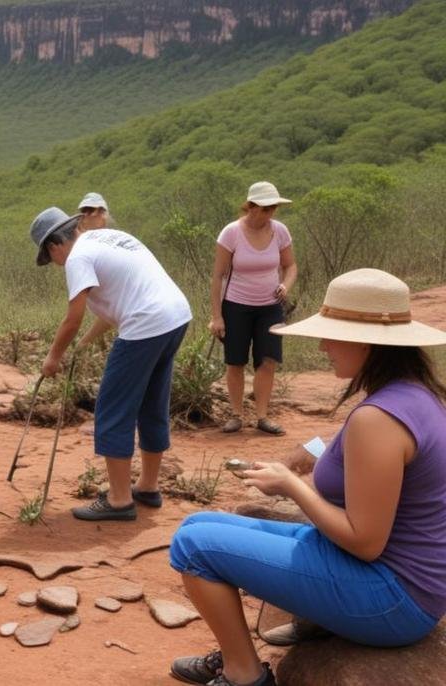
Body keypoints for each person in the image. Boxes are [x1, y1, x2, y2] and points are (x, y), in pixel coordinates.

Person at [169, 268, 446, 686]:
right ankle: (242, 653)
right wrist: (309, 453)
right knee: (198, 524)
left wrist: (292, 485)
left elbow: (366, 543)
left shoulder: (378, 418)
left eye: (331, 335)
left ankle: (243, 674)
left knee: (192, 545)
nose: (321, 346)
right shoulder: (413, 393)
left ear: (365, 341)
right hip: (401, 582)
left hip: (392, 596)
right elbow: (350, 446)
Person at [30, 206, 191, 521]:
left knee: (112, 408)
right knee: (151, 403)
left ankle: (119, 499)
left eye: (51, 259)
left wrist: (53, 357)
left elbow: (72, 317)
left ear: (53, 246)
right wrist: (84, 343)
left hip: (145, 324)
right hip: (176, 316)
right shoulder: (108, 237)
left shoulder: (77, 258)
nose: (55, 264)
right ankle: (147, 486)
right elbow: (115, 304)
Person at [208, 181, 298, 435]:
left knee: (268, 361)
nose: (271, 212)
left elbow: (290, 266)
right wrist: (217, 317)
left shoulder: (280, 231)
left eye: (274, 207)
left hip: (270, 306)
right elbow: (217, 276)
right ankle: (236, 415)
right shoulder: (231, 233)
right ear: (251, 207)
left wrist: (286, 285)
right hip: (235, 305)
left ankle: (262, 417)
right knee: (235, 362)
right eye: (267, 207)